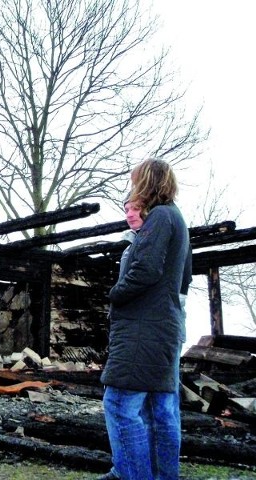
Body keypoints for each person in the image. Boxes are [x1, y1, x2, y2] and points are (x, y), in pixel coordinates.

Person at [99, 159, 190, 480]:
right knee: (159, 411)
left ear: (147, 182)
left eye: (135, 180)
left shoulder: (161, 217)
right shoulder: (174, 219)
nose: (131, 184)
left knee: (120, 404)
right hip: (160, 327)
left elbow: (146, 271)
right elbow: (182, 282)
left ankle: (130, 475)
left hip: (144, 329)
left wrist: (115, 293)